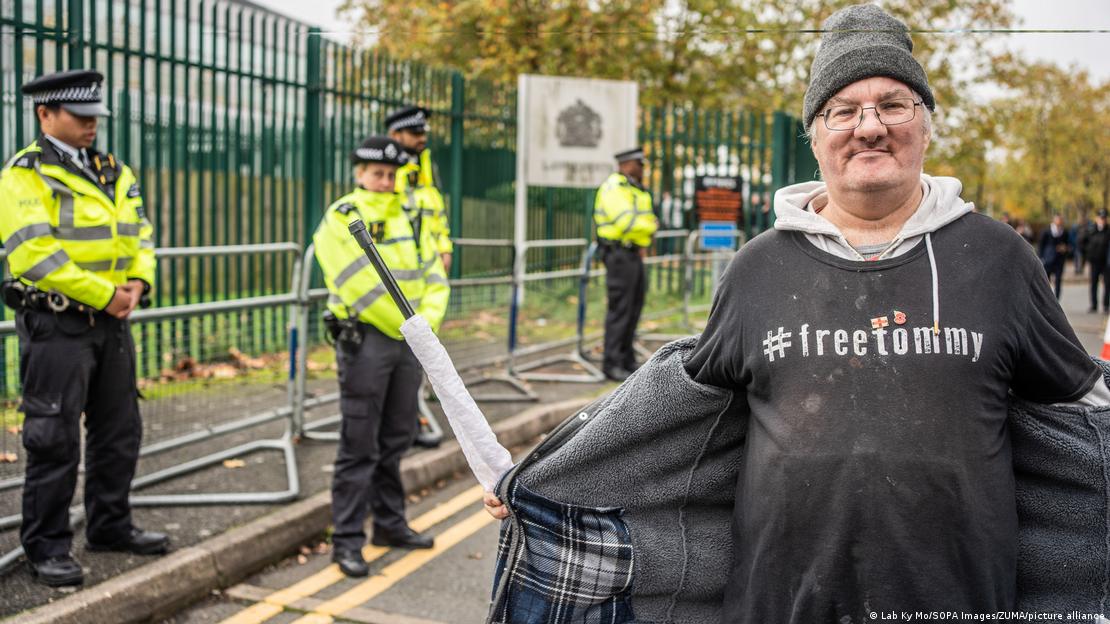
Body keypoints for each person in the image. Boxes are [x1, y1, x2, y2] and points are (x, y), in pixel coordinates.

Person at [484, 3, 1110, 619]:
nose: (870, 126)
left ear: (926, 124)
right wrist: (548, 480)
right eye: (843, 111)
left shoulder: (999, 258)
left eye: (894, 104)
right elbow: (669, 417)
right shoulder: (757, 268)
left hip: (960, 602)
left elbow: (1086, 416)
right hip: (776, 605)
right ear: (815, 134)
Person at [0, 69, 165, 587]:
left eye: (96, 115)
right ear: (44, 114)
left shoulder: (115, 170)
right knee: (53, 440)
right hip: (57, 324)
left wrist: (138, 281)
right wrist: (108, 296)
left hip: (111, 323)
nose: (93, 124)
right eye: (80, 115)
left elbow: (141, 233)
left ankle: (111, 527)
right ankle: (46, 548)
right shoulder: (25, 174)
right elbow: (34, 255)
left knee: (120, 433)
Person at [312, 136, 449, 578]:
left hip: (410, 339)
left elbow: (434, 275)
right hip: (369, 340)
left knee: (396, 438)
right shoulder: (343, 216)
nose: (385, 182)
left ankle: (389, 525)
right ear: (359, 174)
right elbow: (356, 284)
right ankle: (347, 542)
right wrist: (410, 325)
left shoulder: (410, 214)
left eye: (391, 175)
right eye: (377, 174)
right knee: (359, 445)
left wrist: (424, 325)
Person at [593, 147, 659, 381]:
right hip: (619, 254)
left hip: (633, 255)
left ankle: (627, 359)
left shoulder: (634, 189)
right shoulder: (614, 187)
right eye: (639, 164)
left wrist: (646, 228)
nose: (643, 169)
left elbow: (641, 219)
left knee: (634, 308)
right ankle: (611, 363)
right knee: (620, 309)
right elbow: (626, 223)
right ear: (627, 164)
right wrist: (651, 226)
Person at [386, 105, 453, 274]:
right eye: (415, 133)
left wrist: (444, 247)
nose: (422, 138)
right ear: (395, 134)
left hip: (428, 260)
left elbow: (436, 212)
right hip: (396, 261)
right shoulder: (386, 172)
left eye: (423, 133)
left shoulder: (426, 166)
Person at [1084, 209, 1110, 313]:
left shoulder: (1108, 231)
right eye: (1100, 218)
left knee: (1107, 284)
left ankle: (1106, 305)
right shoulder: (1091, 230)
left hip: (1106, 263)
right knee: (1094, 283)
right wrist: (1087, 256)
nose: (1102, 220)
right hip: (1094, 261)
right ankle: (1094, 305)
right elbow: (1082, 243)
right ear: (1097, 218)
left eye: (1104, 218)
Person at [1039, 214, 1069, 299]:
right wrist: (1041, 258)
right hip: (1048, 259)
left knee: (1058, 281)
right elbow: (1041, 245)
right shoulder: (1046, 231)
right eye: (1058, 220)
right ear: (1054, 220)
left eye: (1061, 220)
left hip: (1059, 260)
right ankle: (1046, 299)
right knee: (1046, 281)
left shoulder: (1064, 232)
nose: (1059, 222)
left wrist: (1065, 248)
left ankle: (1057, 300)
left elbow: (1067, 245)